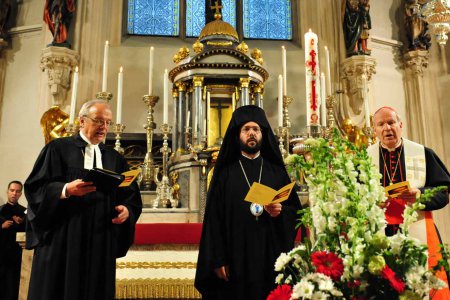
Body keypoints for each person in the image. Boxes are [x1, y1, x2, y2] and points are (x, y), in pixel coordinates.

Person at [24, 99, 142, 300]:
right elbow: (35, 187)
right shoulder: (57, 149)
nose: (104, 128)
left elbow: (130, 196)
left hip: (99, 240)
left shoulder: (115, 158)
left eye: (107, 123)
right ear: (81, 121)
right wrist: (65, 189)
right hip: (63, 238)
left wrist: (126, 211)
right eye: (98, 121)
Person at [195, 105, 301, 300]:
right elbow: (213, 221)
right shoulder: (224, 175)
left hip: (270, 256)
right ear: (238, 135)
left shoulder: (276, 173)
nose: (251, 133)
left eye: (256, 129)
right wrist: (218, 259)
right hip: (234, 257)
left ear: (263, 134)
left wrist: (281, 211)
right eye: (246, 129)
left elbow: (295, 211)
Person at [367, 106, 450, 298]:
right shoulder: (365, 158)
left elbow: (443, 194)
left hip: (418, 228)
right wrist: (372, 201)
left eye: (391, 122)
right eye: (381, 124)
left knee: (428, 288)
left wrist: (419, 195)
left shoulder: (422, 153)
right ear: (375, 131)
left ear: (400, 125)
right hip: (381, 235)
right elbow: (355, 197)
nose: (387, 128)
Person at [0, 180, 26, 300]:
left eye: (17, 191)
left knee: (13, 287)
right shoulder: (0, 210)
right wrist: (2, 226)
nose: (14, 193)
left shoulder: (25, 212)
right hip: (1, 255)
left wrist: (22, 223)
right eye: (12, 190)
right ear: (7, 191)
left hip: (16, 257)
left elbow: (29, 232)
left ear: (21, 194)